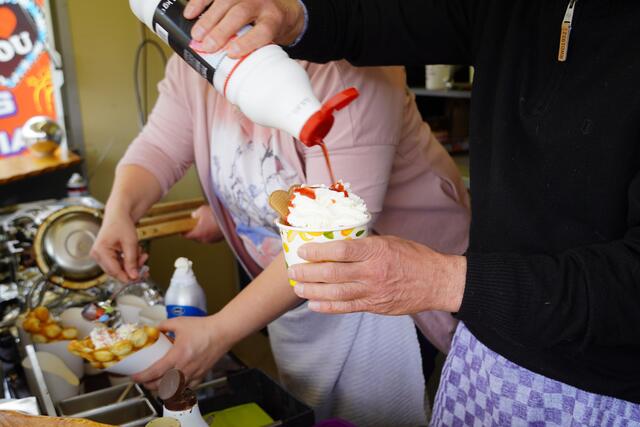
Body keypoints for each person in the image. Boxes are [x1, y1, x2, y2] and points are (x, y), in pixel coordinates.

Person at [179, 0, 640, 425]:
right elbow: (375, 17)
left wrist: (441, 280)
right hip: (485, 350)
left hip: (603, 387)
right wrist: (293, 14)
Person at [91, 53, 470, 425]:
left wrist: (217, 333)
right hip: (294, 291)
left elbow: (327, 235)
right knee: (315, 412)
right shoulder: (194, 59)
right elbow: (159, 148)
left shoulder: (349, 69)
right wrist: (119, 212)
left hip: (389, 299)